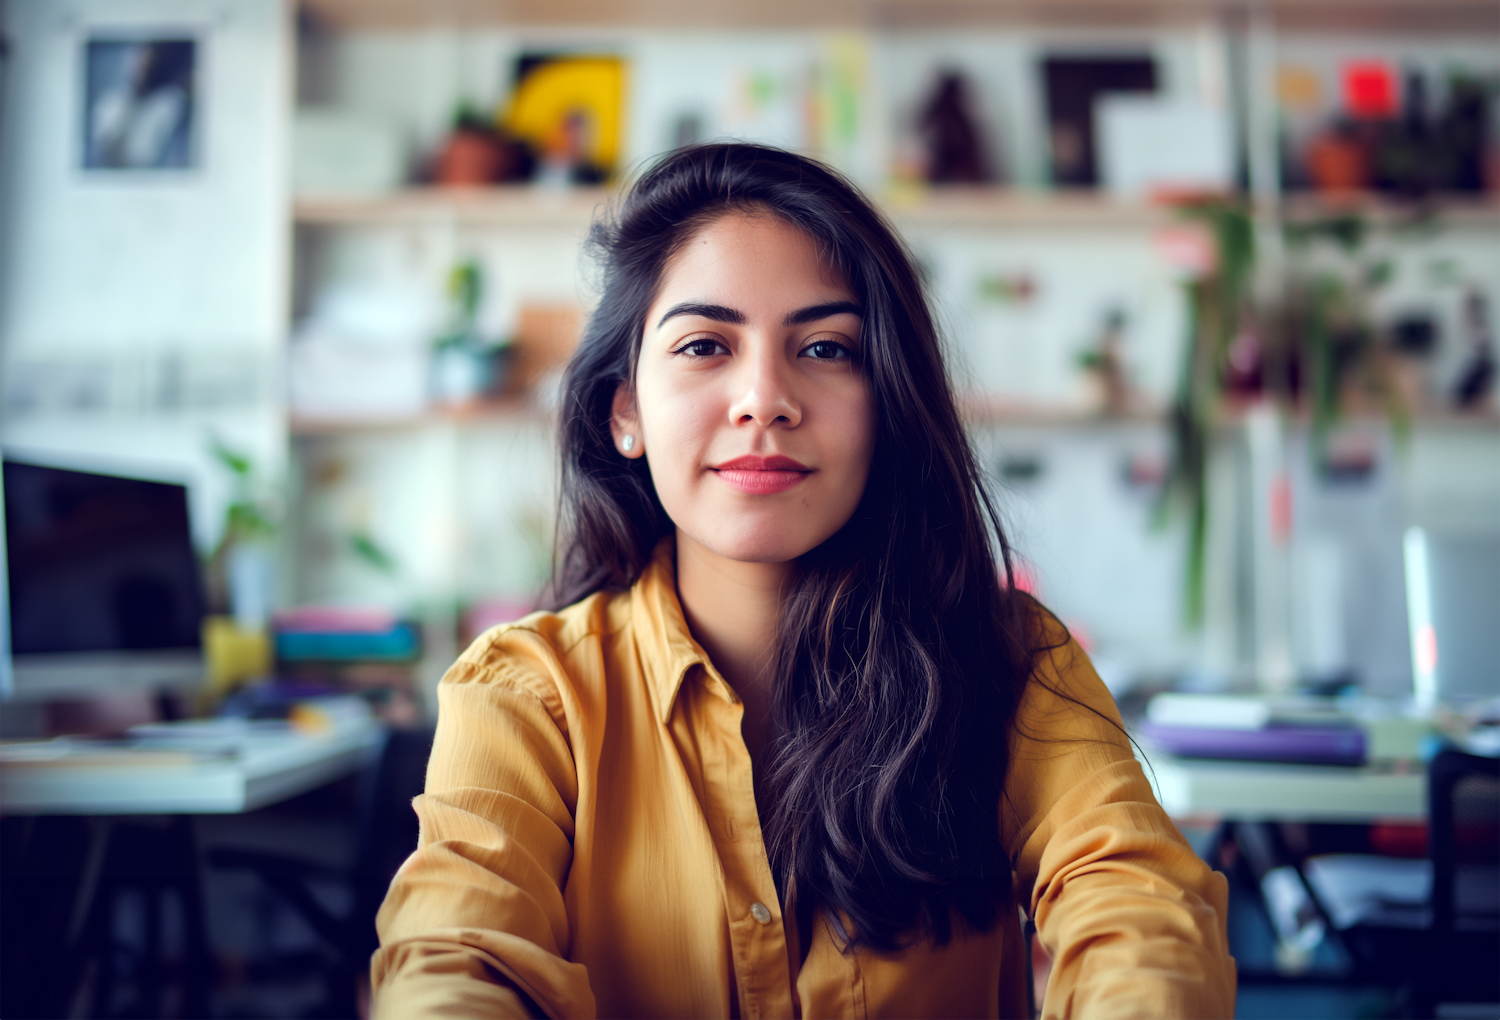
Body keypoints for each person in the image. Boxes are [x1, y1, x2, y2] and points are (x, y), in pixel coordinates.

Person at [372, 143, 1235, 1019]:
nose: (764, 399)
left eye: (825, 348)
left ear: (887, 405)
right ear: (625, 410)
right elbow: (453, 964)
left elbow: (1140, 909)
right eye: (706, 345)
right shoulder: (525, 696)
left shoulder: (1009, 662)